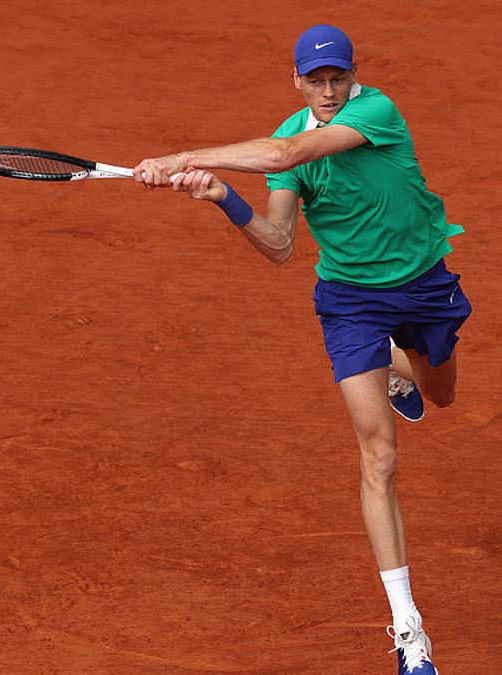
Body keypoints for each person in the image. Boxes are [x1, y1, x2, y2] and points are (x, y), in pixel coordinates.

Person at [133, 24, 470, 675]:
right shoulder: (290, 134)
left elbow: (286, 154)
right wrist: (222, 197)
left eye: (337, 77)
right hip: (351, 301)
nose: (328, 90)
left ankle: (398, 367)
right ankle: (409, 630)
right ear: (297, 81)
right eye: (315, 81)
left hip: (423, 285)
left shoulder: (375, 113)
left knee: (443, 393)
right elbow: (281, 244)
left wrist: (182, 157)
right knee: (379, 454)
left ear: (353, 75)